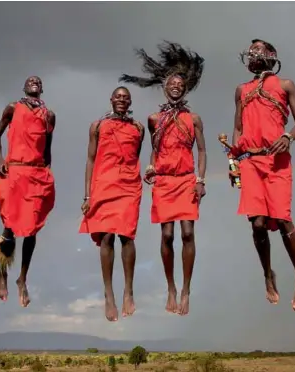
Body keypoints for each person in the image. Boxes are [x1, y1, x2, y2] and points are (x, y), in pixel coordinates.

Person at [119, 41, 207, 316]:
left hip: (186, 179)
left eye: (181, 84)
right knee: (167, 235)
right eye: (172, 83)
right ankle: (170, 286)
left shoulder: (194, 118)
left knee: (188, 233)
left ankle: (186, 289)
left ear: (186, 88)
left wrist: (200, 180)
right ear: (165, 87)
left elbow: (202, 150)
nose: (176, 87)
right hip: (164, 182)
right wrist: (149, 166)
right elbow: (155, 150)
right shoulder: (154, 119)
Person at [229, 39, 295, 312]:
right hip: (250, 161)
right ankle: (267, 274)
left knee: (282, 219)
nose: (253, 52)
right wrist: (234, 161)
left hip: (277, 159)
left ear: (272, 55)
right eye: (251, 49)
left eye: (259, 48)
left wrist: (288, 136)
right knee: (258, 224)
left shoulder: (286, 85)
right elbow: (237, 130)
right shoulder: (242, 90)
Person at [79, 86, 145, 322]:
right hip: (103, 184)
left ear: (130, 102)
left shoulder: (138, 128)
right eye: (118, 96)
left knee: (127, 236)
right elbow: (90, 159)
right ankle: (109, 295)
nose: (121, 100)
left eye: (125, 97)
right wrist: (87, 195)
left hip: (129, 186)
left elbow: (135, 155)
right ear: (111, 100)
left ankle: (128, 290)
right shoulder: (97, 126)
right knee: (106, 237)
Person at [0, 75, 56, 308]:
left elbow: (47, 151)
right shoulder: (12, 108)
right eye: (30, 81)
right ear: (24, 87)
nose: (35, 82)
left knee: (32, 229)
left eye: (38, 81)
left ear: (42, 88)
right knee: (9, 226)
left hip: (36, 175)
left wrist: (47, 175)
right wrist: (0, 160)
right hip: (14, 173)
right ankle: (3, 272)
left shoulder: (49, 116)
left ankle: (22, 279)